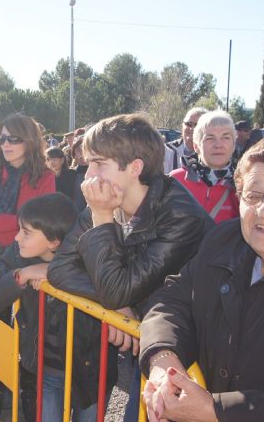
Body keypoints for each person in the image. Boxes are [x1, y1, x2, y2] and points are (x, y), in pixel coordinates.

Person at [47, 113, 212, 421]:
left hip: (188, 353)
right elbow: (59, 269)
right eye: (88, 164)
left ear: (135, 167)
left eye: (99, 164)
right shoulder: (104, 198)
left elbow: (116, 288)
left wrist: (101, 219)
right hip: (141, 334)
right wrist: (120, 306)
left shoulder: (180, 217)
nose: (87, 176)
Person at [140, 135, 264, 422]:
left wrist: (215, 410)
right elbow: (171, 300)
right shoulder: (224, 241)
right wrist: (163, 362)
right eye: (253, 195)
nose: (263, 210)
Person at [0, 193, 77, 422]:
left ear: (54, 242)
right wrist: (23, 275)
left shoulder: (83, 254)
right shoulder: (18, 254)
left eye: (26, 232)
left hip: (86, 367)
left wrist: (57, 274)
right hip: (41, 366)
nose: (16, 238)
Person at [0, 113, 56, 257]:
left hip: (28, 261)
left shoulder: (45, 177)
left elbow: (43, 225)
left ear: (29, 140)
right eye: (2, 139)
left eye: (13, 138)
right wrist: (21, 221)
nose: (5, 144)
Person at [170, 110, 240, 224]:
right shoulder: (174, 181)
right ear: (196, 146)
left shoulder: (243, 186)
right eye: (210, 138)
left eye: (225, 137)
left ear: (233, 145)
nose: (218, 145)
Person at [70, 136, 88, 212]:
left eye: (85, 150)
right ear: (73, 154)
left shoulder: (99, 174)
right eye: (78, 150)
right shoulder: (69, 174)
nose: (82, 154)